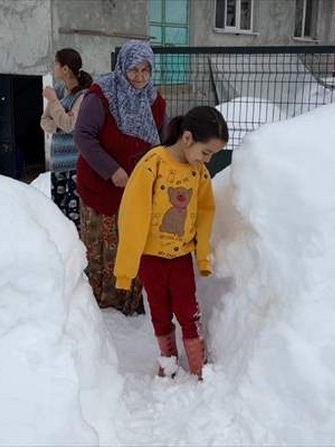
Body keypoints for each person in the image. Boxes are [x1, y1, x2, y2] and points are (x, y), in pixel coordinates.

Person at [114, 106, 229, 380]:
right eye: (206, 152)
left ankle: (197, 364)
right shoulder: (153, 163)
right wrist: (126, 268)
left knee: (189, 312)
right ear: (187, 138)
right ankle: (168, 361)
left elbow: (204, 213)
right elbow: (133, 213)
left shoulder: (199, 174)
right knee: (160, 312)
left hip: (180, 259)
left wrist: (201, 257)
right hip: (150, 260)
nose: (207, 160)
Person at [73, 40, 166, 316]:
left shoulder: (155, 100)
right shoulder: (101, 95)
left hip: (136, 191)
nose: (139, 77)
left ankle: (129, 303)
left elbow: (160, 143)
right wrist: (112, 170)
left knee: (132, 243)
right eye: (133, 70)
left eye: (145, 70)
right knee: (102, 246)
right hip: (101, 188)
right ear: (122, 67)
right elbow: (83, 136)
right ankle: (102, 306)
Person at [40, 48, 93, 229]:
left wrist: (54, 103)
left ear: (65, 69)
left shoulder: (83, 95)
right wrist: (61, 124)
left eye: (56, 63)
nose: (53, 67)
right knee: (58, 212)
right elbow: (44, 121)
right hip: (58, 163)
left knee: (73, 216)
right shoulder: (59, 89)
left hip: (75, 163)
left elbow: (71, 125)